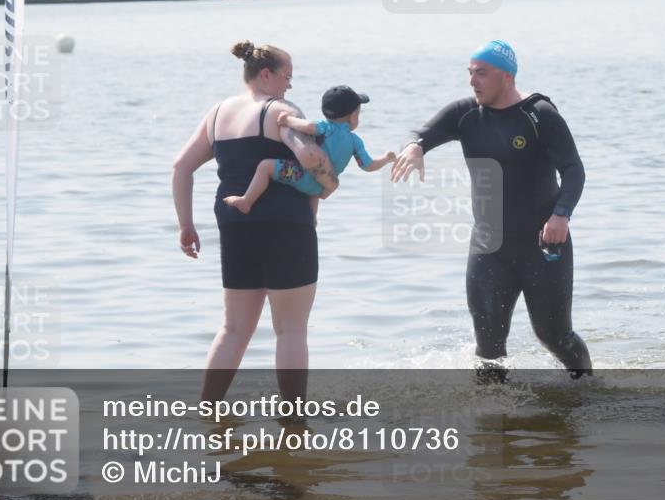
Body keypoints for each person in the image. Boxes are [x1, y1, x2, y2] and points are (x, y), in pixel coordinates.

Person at [390, 40, 593, 379]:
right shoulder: (466, 114)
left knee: (553, 336)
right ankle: (491, 424)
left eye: (481, 74)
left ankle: (588, 389)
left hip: (543, 248)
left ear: (507, 77)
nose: (473, 81)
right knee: (488, 346)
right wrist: (414, 148)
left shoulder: (539, 115)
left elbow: (573, 170)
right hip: (489, 249)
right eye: (470, 74)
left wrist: (561, 215)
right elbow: (422, 133)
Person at [172, 41, 339, 403]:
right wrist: (329, 182)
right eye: (287, 77)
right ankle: (294, 419)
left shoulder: (217, 113)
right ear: (266, 74)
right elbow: (309, 157)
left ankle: (208, 409)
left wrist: (185, 224)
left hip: (235, 223)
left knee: (233, 329)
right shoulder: (280, 110)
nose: (289, 86)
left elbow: (181, 167)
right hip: (285, 224)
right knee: (291, 331)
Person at [223, 85, 396, 215]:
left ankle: (246, 200)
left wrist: (287, 120)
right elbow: (368, 165)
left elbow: (308, 126)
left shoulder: (325, 127)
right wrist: (386, 158)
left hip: (300, 176)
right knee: (313, 189)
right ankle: (312, 219)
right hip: (321, 189)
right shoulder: (355, 141)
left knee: (265, 167)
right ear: (352, 117)